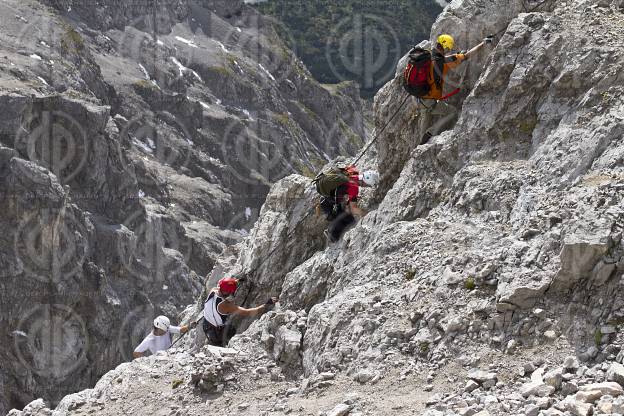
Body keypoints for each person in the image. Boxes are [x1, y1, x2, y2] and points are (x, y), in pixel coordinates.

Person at [404, 33, 494, 144]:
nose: (447, 51)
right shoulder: (443, 64)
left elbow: (446, 58)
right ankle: (431, 132)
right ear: (445, 47)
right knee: (452, 112)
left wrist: (456, 55)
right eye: (447, 49)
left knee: (423, 135)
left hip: (419, 99)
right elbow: (466, 56)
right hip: (431, 102)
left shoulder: (427, 57)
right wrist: (483, 43)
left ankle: (421, 145)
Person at [201, 277, 277, 347]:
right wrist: (266, 304)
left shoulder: (213, 291)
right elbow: (248, 312)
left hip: (206, 325)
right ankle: (223, 344)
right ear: (230, 292)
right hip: (216, 334)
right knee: (231, 330)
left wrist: (235, 281)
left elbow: (225, 286)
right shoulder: (226, 305)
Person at [316, 166, 380, 243]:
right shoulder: (354, 188)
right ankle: (331, 234)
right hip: (328, 203)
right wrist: (367, 214)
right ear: (366, 182)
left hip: (329, 197)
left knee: (347, 217)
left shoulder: (352, 172)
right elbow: (354, 209)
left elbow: (344, 184)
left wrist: (352, 197)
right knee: (345, 219)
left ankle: (333, 224)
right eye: (368, 185)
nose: (366, 187)